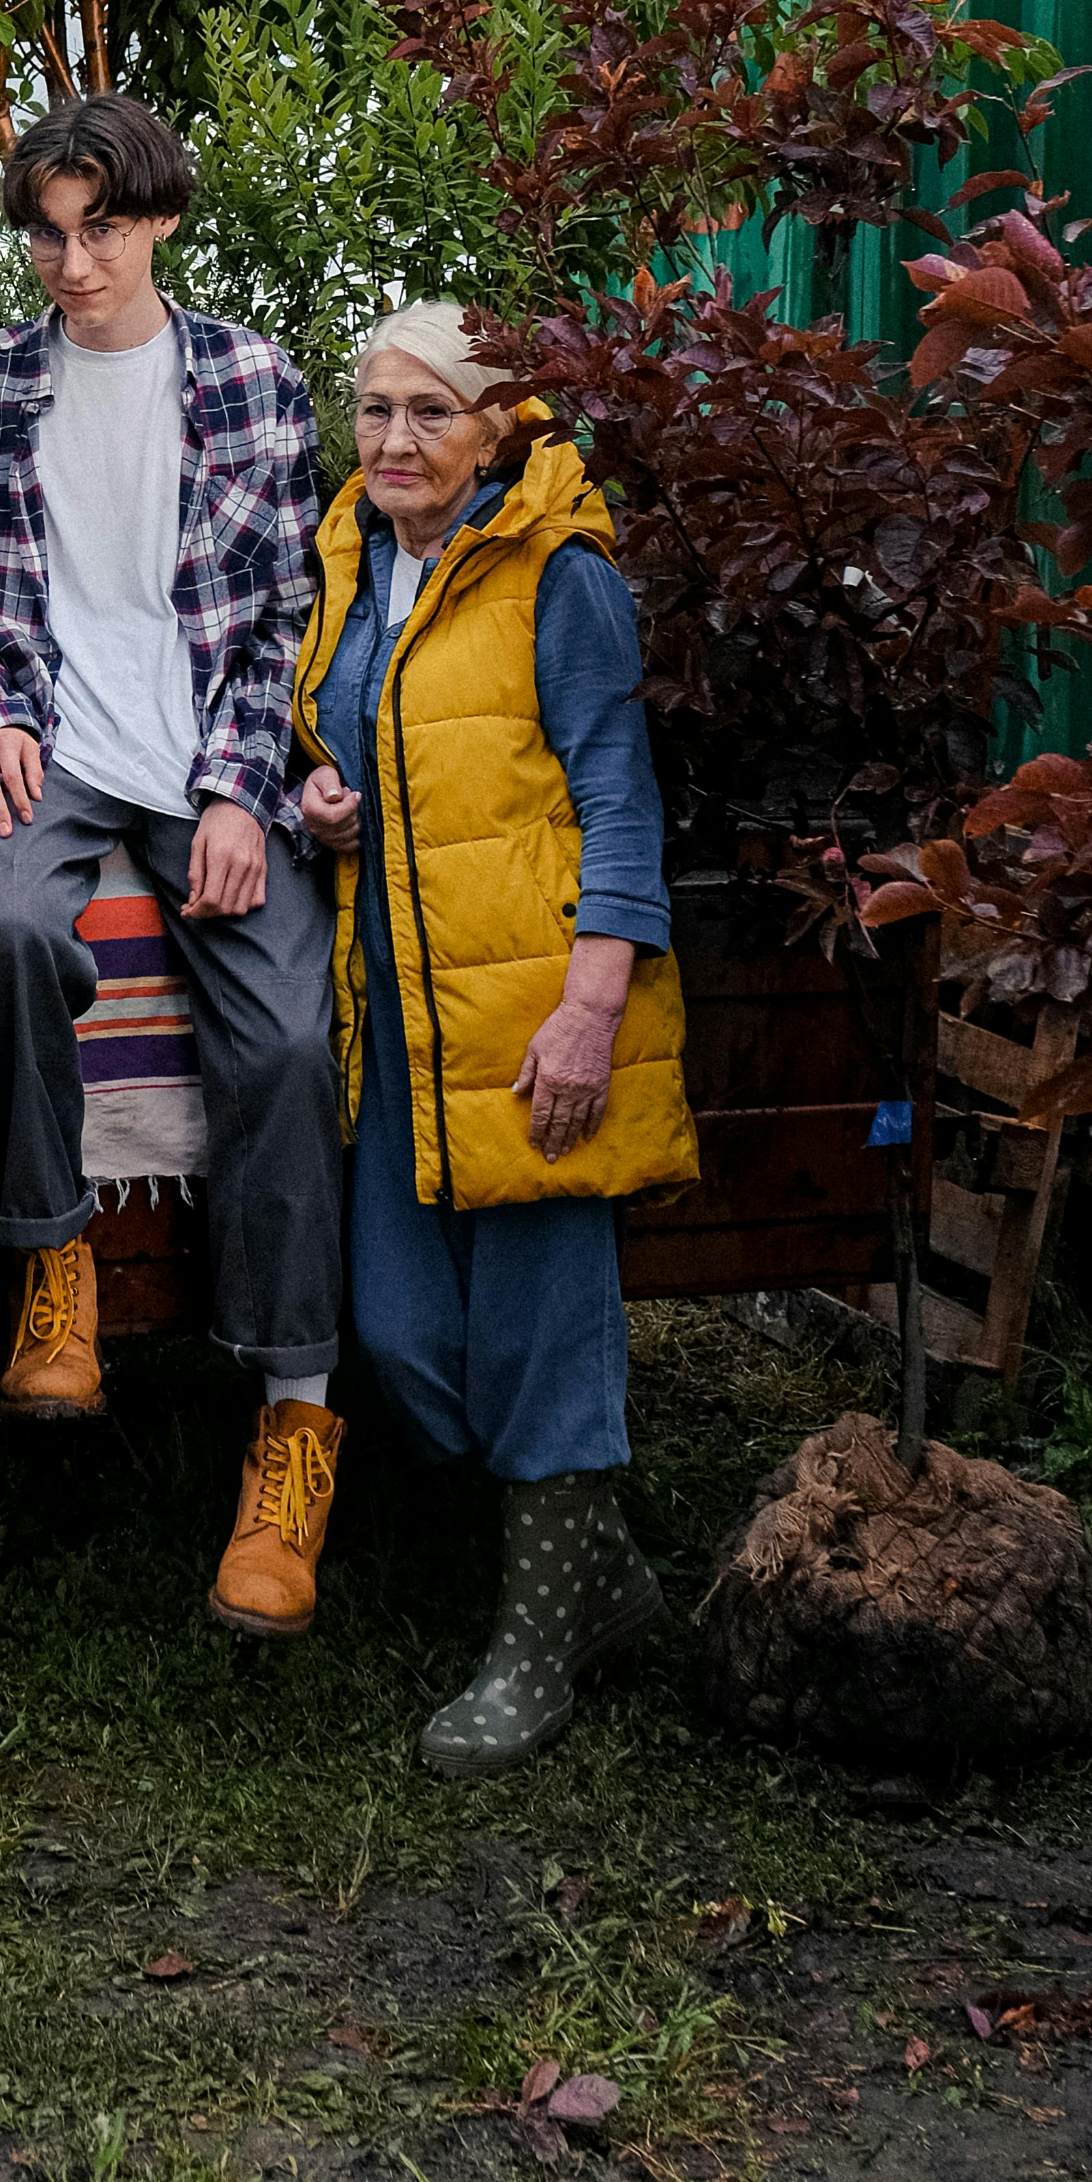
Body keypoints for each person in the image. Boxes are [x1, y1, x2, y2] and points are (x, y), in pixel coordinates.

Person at [0, 92, 346, 1636]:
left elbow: (278, 617)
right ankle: (53, 1265)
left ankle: (293, 1424)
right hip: (53, 747)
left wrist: (244, 791)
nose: (71, 259)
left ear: (160, 218)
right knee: (17, 931)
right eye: (44, 230)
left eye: (100, 226)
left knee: (291, 1041)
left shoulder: (248, 380)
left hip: (207, 765)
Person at [293, 302, 696, 1776]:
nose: (396, 440)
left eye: (432, 412)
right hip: (398, 1009)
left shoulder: (562, 577)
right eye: (377, 408)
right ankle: (610, 1581)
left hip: (533, 1010)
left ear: (500, 429)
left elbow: (622, 802)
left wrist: (591, 1012)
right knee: (400, 1330)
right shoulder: (357, 560)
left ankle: (542, 1647)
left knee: (540, 1325)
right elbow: (356, 752)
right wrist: (321, 802)